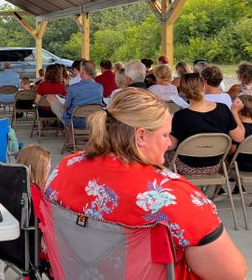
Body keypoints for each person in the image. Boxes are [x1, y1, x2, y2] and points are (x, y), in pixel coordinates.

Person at [43, 88, 247, 280]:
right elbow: (232, 273)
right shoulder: (172, 196)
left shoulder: (66, 168)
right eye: (165, 135)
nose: (168, 143)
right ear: (141, 135)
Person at [170, 73, 244, 175]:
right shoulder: (223, 109)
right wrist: (235, 112)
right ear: (204, 87)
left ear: (182, 91)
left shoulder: (180, 116)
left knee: (163, 152)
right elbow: (239, 138)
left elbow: (171, 145)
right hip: (214, 166)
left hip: (186, 166)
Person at [49, 60, 103, 128]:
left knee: (52, 100)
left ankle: (66, 129)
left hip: (75, 122)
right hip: (94, 121)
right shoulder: (100, 87)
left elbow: (66, 107)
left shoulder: (73, 88)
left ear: (82, 72)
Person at [233, 95, 252, 172]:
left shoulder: (236, 130)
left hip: (240, 165)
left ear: (239, 111)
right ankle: (238, 184)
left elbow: (232, 150)